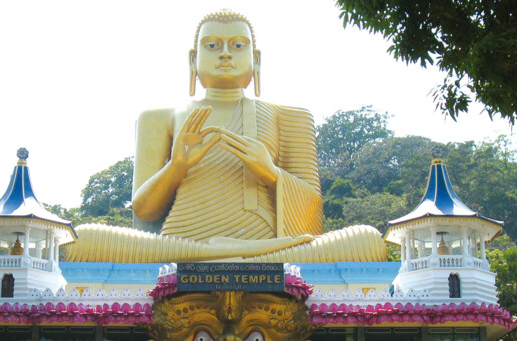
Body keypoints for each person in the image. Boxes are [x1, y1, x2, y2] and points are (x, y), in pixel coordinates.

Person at [65, 9, 386, 263]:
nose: (225, 54)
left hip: (271, 248)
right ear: (193, 59)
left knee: (368, 241)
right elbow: (144, 211)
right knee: (81, 240)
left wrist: (271, 174)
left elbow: (312, 210)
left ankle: (222, 258)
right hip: (178, 246)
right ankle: (218, 257)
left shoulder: (289, 116)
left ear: (256, 59)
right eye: (212, 45)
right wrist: (176, 166)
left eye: (237, 45)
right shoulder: (159, 118)